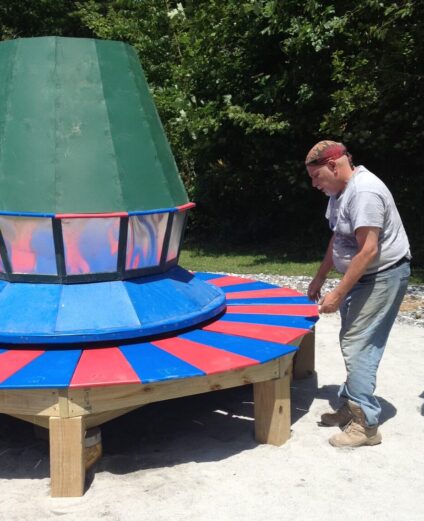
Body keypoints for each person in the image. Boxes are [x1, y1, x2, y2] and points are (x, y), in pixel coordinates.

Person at [305, 140, 411, 448]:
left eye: (316, 176)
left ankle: (367, 425)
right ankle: (352, 407)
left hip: (382, 276)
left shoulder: (364, 192)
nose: (314, 184)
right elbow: (338, 238)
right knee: (352, 339)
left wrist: (337, 293)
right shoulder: (340, 193)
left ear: (334, 166)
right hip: (367, 276)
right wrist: (320, 276)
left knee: (357, 344)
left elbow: (368, 250)